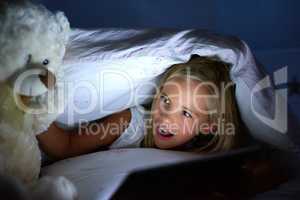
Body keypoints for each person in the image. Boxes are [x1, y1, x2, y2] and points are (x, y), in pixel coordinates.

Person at [37, 55, 244, 162]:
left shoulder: (203, 157)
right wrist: (33, 101)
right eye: (166, 100)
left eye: (186, 113)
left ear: (207, 126)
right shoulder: (130, 122)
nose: (165, 118)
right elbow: (64, 147)